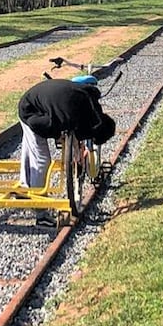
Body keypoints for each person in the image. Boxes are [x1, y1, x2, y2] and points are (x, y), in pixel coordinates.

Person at [16, 74, 116, 225]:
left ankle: (25, 187)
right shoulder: (67, 119)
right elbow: (39, 125)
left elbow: (75, 130)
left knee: (30, 151)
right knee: (41, 160)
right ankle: (40, 213)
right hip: (30, 111)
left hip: (39, 96)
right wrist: (56, 134)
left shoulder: (93, 106)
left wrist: (77, 146)